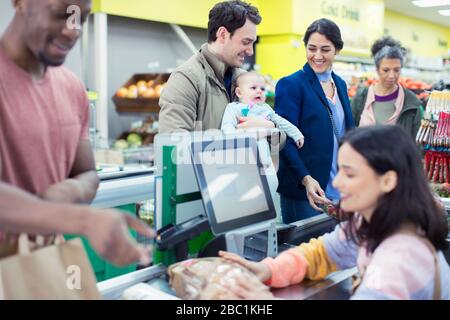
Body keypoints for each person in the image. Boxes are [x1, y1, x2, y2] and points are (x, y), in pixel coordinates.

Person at [0, 0, 153, 266]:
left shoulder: (72, 88)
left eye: (81, 19)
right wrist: (79, 219)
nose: (73, 31)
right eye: (61, 14)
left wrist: (73, 189)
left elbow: (88, 173)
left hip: (42, 264)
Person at [220, 125, 450, 300]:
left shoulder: (399, 261)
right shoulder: (370, 222)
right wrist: (269, 269)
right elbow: (324, 252)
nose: (337, 183)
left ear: (388, 180)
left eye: (349, 174)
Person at [274, 19, 355, 223]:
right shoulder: (291, 85)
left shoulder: (340, 85)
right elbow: (285, 141)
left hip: (340, 188)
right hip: (307, 192)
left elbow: (347, 132)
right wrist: (306, 179)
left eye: (325, 49)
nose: (317, 56)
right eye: (312, 48)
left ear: (337, 50)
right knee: (305, 253)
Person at [159, 0, 276, 133]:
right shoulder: (186, 79)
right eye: (246, 42)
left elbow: (281, 139)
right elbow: (173, 144)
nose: (250, 51)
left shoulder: (244, 78)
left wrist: (270, 128)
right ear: (222, 35)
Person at [351, 36, 423, 139]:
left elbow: (418, 144)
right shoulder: (361, 97)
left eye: (396, 70)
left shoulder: (411, 103)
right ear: (377, 69)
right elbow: (349, 132)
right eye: (386, 70)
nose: (391, 76)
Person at [221, 71, 304, 148]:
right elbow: (227, 125)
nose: (259, 91)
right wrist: (233, 141)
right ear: (239, 92)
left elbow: (281, 121)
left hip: (263, 152)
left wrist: (296, 134)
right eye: (253, 88)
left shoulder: (265, 108)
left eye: (262, 89)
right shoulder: (233, 107)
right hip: (241, 149)